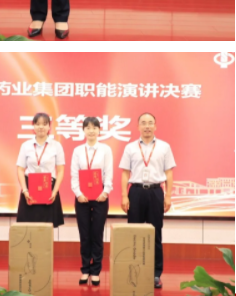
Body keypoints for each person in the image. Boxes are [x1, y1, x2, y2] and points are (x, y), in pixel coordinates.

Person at [120, 113, 175, 290]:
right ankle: (133, 271)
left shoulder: (164, 147)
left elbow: (169, 173)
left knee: (155, 233)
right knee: (133, 233)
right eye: (143, 123)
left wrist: (168, 195)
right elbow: (125, 173)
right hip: (135, 192)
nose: (147, 126)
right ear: (138, 127)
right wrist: (124, 195)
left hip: (155, 192)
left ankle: (156, 274)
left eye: (150, 123)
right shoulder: (130, 147)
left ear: (155, 126)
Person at [70, 117, 113, 286]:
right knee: (84, 234)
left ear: (99, 130)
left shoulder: (105, 149)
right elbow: (74, 174)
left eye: (94, 127)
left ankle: (95, 271)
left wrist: (105, 191)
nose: (91, 130)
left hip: (100, 196)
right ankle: (85, 269)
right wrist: (78, 193)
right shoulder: (78, 150)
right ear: (83, 130)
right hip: (82, 197)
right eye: (88, 127)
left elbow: (108, 173)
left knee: (97, 234)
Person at [16, 112, 65, 228]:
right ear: (33, 126)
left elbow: (60, 170)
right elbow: (20, 169)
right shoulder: (26, 145)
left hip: (49, 188)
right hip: (29, 189)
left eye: (44, 124)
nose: (41, 127)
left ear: (49, 126)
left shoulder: (56, 146)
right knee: (28, 226)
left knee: (47, 227)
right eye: (38, 124)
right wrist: (25, 191)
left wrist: (54, 191)